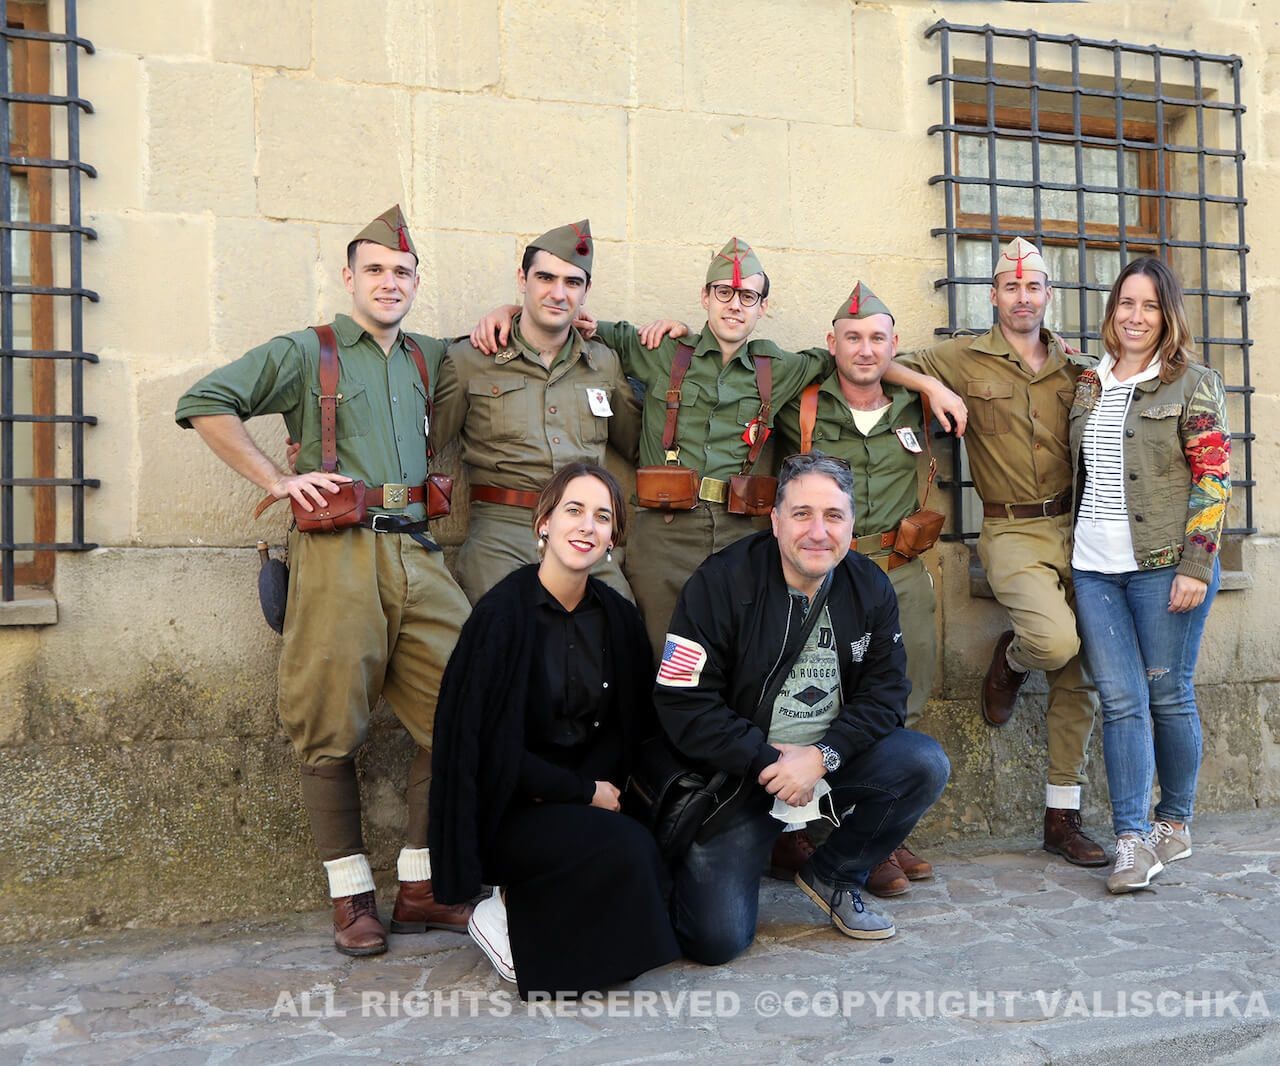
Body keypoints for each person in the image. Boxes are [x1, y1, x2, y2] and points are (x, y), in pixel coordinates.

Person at [175, 205, 473, 956]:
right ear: (349, 277)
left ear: (415, 283)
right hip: (338, 551)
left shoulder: (428, 355)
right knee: (327, 723)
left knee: (468, 702)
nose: (389, 282)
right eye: (374, 269)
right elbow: (205, 404)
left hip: (417, 549)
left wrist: (508, 310)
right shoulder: (308, 352)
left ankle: (420, 884)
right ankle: (350, 898)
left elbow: (497, 349)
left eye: (402, 271)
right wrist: (276, 478)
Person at [470, 238, 964, 650]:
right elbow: (567, 317)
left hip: (739, 533)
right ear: (704, 296)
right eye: (724, 292)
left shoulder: (783, 367)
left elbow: (863, 358)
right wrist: (509, 308)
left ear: (763, 307)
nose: (734, 304)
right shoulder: (660, 349)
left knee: (737, 647)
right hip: (664, 531)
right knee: (656, 649)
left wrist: (931, 386)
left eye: (748, 297)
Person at [656, 452, 950, 964]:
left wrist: (821, 757)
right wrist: (769, 762)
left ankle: (835, 872)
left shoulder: (869, 586)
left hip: (827, 764)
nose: (818, 532)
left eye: (833, 516)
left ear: (851, 523)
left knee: (924, 762)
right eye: (802, 514)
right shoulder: (722, 582)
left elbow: (885, 697)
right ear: (775, 521)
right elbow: (684, 700)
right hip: (741, 777)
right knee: (714, 941)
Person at [427, 462, 680, 994]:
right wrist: (582, 792)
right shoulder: (501, 617)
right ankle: (497, 917)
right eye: (574, 510)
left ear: (614, 537)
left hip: (589, 800)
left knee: (647, 857)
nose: (587, 526)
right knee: (624, 850)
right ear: (543, 522)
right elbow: (484, 748)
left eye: (603, 517)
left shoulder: (617, 618)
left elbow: (633, 728)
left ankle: (524, 911)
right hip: (511, 807)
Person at [895, 237, 1108, 868]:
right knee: (1053, 644)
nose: (1023, 297)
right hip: (1012, 530)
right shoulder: (963, 356)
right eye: (1010, 287)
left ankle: (1061, 817)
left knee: (1081, 679)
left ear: (1049, 294)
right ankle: (1012, 659)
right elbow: (886, 362)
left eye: (1034, 286)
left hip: (1082, 527)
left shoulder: (1076, 368)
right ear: (993, 295)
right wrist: (933, 390)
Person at [769, 282, 941, 897]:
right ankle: (811, 829)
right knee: (809, 700)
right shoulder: (802, 406)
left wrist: (927, 384)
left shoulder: (915, 407)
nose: (865, 350)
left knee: (903, 699)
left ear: (894, 345)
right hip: (825, 578)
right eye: (852, 337)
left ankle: (881, 828)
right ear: (831, 343)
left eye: (878, 339)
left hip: (898, 568)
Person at [1065, 257, 1230, 894]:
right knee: (1120, 700)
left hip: (1167, 568)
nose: (1135, 317)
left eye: (1150, 306)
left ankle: (1175, 821)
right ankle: (1130, 839)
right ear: (1111, 312)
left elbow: (1214, 478)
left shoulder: (1193, 382)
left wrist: (1197, 563)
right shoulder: (1090, 383)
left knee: (1167, 695)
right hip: (1094, 568)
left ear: (1168, 316)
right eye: (1125, 304)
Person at [429, 219, 640, 605]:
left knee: (622, 636)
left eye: (572, 282)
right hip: (503, 532)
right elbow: (421, 444)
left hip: (585, 531)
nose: (558, 293)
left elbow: (643, 445)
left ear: (586, 290)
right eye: (545, 278)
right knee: (503, 645)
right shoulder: (471, 359)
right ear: (522, 279)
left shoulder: (604, 363)